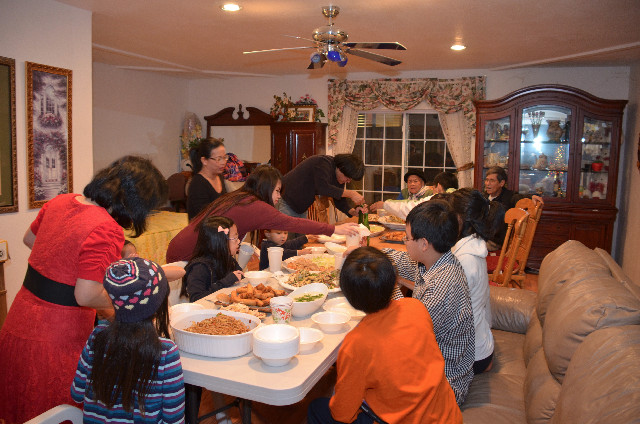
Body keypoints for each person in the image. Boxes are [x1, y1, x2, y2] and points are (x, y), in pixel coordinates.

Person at [0, 156, 167, 424]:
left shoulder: (62, 200)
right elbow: (86, 295)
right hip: (57, 337)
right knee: (59, 413)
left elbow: (30, 239)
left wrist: (65, 268)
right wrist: (125, 305)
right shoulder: (106, 227)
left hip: (19, 321)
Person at [307, 247, 462, 424]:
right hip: (447, 416)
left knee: (316, 408)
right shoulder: (416, 307)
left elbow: (342, 414)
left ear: (349, 297)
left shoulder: (356, 343)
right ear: (394, 281)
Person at [71, 257, 185, 423]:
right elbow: (173, 419)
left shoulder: (96, 337)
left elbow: (77, 393)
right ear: (158, 304)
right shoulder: (166, 352)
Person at [383, 200, 475, 406]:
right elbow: (404, 262)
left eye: (407, 238)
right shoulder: (439, 260)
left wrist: (389, 285)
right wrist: (370, 252)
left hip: (443, 386)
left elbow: (406, 333)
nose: (404, 242)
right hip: (431, 365)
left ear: (424, 244)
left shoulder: (442, 287)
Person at [166, 165, 359, 263]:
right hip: (188, 255)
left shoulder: (240, 196)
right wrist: (334, 229)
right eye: (277, 191)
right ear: (266, 188)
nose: (278, 197)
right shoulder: (255, 205)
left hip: (180, 246)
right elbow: (293, 223)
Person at [448, 188, 505, 374]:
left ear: (459, 219)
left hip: (471, 355)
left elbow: (447, 317)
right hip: (481, 345)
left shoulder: (464, 260)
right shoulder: (474, 246)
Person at [278, 154, 366, 219]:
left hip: (300, 208)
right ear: (341, 168)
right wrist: (351, 194)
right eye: (348, 178)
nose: (348, 181)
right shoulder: (322, 163)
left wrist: (352, 212)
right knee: (284, 238)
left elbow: (339, 198)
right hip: (285, 201)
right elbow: (323, 188)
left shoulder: (339, 175)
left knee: (301, 239)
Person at [180, 216, 243, 302]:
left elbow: (240, 276)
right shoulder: (199, 268)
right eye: (235, 238)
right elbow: (196, 298)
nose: (238, 241)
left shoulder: (228, 259)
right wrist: (224, 283)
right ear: (220, 242)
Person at [483, 166, 543, 250]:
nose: (487, 184)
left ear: (501, 183)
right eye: (486, 180)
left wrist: (532, 196)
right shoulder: (483, 197)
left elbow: (522, 198)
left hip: (495, 241)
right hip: (481, 237)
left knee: (469, 248)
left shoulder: (509, 197)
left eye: (492, 181)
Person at [370, 171, 459, 219]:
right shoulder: (458, 198)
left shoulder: (435, 199)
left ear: (438, 186)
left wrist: (385, 204)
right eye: (410, 181)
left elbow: (414, 208)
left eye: (415, 181)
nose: (412, 184)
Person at [186, 138, 227, 220]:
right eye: (219, 159)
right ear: (204, 160)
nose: (223, 162)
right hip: (203, 226)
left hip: (218, 224)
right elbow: (204, 217)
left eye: (225, 157)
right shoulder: (198, 183)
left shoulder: (219, 177)